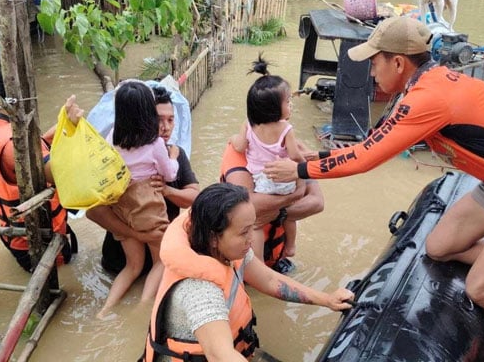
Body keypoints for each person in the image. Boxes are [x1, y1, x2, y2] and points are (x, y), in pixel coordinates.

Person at [264, 16, 484, 338]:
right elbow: (370, 144)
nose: (370, 71)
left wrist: (300, 170)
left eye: (374, 62)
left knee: (482, 288)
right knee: (439, 247)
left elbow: (366, 159)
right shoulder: (426, 84)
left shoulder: (428, 99)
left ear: (398, 62)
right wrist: (315, 157)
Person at [142, 183, 354, 361]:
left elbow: (270, 280)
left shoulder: (228, 252)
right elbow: (220, 355)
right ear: (213, 237)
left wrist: (327, 299)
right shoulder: (199, 291)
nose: (251, 239)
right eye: (244, 232)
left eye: (252, 228)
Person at [0, 67, 79, 271]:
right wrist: (76, 137)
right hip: (36, 238)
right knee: (64, 274)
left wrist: (64, 125)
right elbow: (60, 176)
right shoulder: (16, 143)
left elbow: (26, 159)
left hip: (8, 230)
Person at [89, 88, 200, 275]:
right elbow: (93, 211)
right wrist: (137, 235)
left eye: (171, 120)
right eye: (159, 119)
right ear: (143, 118)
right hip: (122, 260)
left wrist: (167, 191)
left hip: (154, 258)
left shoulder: (175, 153)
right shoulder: (115, 159)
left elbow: (195, 199)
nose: (165, 127)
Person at [96, 80, 179, 319]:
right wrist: (173, 155)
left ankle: (104, 311)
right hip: (146, 206)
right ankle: (143, 307)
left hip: (120, 204)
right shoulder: (155, 144)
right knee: (161, 260)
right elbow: (170, 174)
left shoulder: (112, 137)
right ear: (148, 113)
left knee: (132, 266)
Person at [229, 55, 306, 258]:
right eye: (288, 102)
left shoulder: (248, 124)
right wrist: (305, 167)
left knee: (256, 224)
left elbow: (239, 146)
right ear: (274, 108)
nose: (291, 106)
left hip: (261, 183)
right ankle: (290, 247)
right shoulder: (286, 128)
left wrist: (231, 138)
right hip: (283, 181)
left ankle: (258, 261)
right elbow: (295, 155)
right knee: (289, 217)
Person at [219, 142, 324, 272]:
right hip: (241, 262)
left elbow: (317, 202)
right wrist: (293, 197)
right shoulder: (238, 151)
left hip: (277, 257)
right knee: (256, 225)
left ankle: (284, 251)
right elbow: (249, 205)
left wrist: (279, 214)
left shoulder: (292, 147)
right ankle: (261, 269)